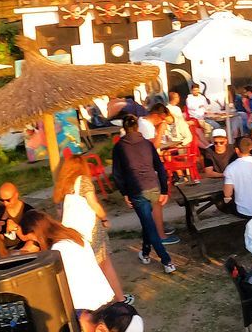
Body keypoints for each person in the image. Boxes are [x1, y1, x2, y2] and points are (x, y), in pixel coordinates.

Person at [53, 156, 130, 305]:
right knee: (105, 264)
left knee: (86, 268)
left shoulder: (62, 186)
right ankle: (120, 298)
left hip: (72, 234)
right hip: (91, 231)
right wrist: (104, 218)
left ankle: (96, 302)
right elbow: (93, 204)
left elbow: (60, 213)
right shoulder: (83, 181)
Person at [110, 113, 176, 274]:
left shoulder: (119, 147)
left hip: (136, 189)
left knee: (149, 225)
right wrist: (164, 189)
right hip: (153, 186)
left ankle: (167, 261)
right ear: (137, 127)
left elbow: (117, 174)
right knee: (148, 223)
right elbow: (159, 167)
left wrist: (124, 192)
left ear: (124, 129)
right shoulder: (147, 144)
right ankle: (145, 253)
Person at [17, 210, 114, 312]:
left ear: (35, 232)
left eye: (32, 240)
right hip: (102, 295)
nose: (33, 244)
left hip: (86, 305)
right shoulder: (72, 236)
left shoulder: (58, 249)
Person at [0, 182, 34, 253]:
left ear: (16, 195)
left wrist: (16, 228)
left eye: (8, 200)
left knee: (33, 244)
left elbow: (36, 236)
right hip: (4, 250)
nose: (5, 203)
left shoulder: (28, 211)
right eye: (2, 200)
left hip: (24, 247)